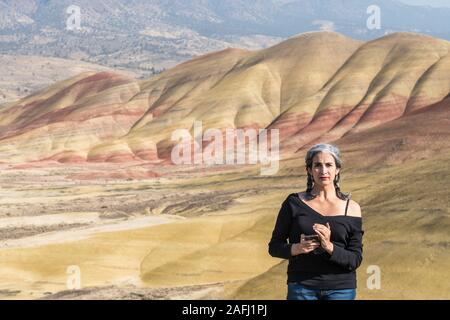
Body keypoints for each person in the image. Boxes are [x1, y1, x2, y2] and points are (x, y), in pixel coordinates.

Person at [268, 143, 364, 300]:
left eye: (329, 165)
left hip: (341, 290)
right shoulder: (293, 203)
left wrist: (329, 246)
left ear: (337, 169)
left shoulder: (352, 208)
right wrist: (297, 248)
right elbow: (274, 247)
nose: (323, 171)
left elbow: (355, 259)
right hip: (301, 287)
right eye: (317, 165)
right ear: (309, 170)